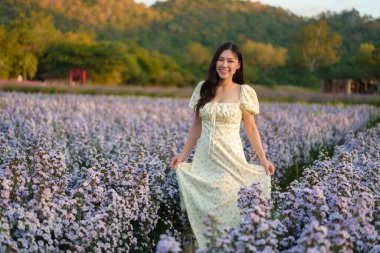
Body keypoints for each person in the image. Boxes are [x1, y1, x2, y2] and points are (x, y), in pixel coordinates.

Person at [170, 41, 275, 249]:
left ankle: (229, 247)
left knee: (227, 201)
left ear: (238, 65)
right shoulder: (203, 88)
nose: (224, 64)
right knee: (206, 212)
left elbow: (251, 129)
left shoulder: (244, 92)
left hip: (230, 159)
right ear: (214, 62)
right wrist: (182, 156)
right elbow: (197, 125)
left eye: (230, 61)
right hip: (204, 160)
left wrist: (264, 160)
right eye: (220, 59)